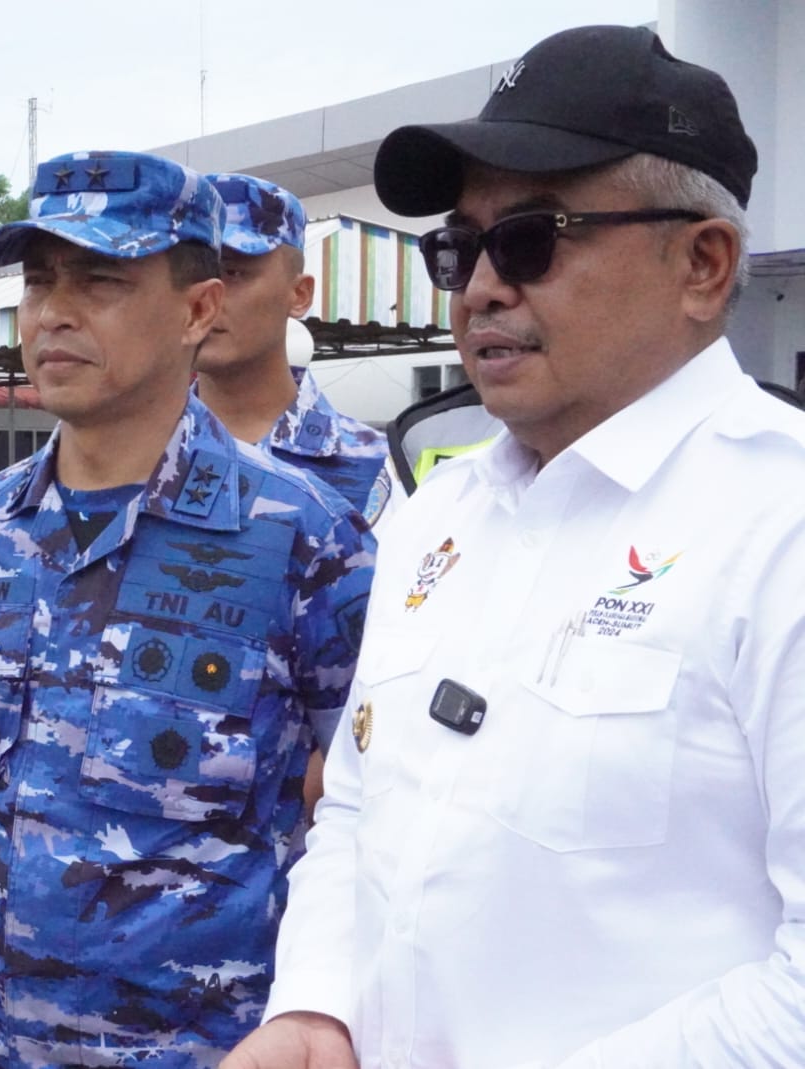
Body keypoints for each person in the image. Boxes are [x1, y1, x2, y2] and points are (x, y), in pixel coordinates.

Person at [226, 24, 805, 1069]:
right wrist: (317, 1009)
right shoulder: (438, 515)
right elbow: (356, 806)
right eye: (458, 249)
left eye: (533, 238)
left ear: (702, 264)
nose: (481, 287)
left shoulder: (780, 524)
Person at [0, 150, 375, 1067]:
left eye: (101, 279)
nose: (55, 312)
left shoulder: (301, 536)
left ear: (197, 310)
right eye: (38, 280)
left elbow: (369, 802)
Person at [194, 173, 388, 521]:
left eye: (233, 273)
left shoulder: (367, 465)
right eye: (191, 275)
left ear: (299, 295)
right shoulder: (127, 449)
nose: (204, 298)